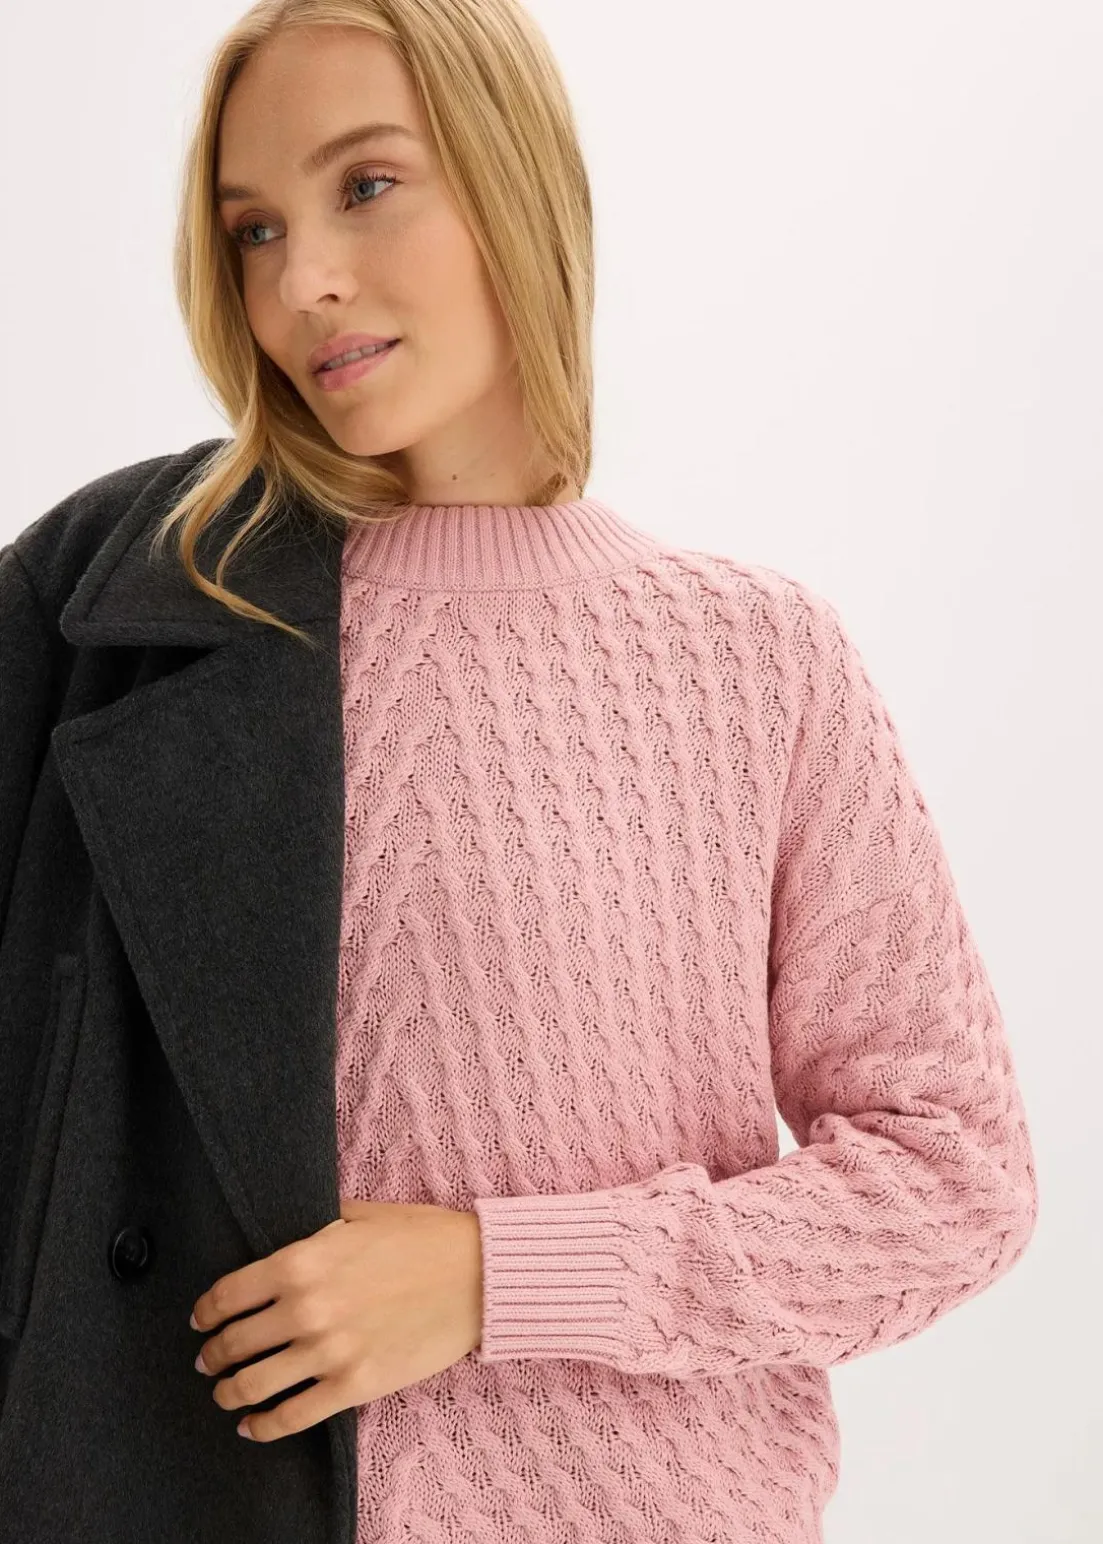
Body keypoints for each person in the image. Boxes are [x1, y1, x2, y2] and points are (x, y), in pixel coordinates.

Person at [0, 1, 1038, 1541]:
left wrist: (494, 1276)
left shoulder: (754, 656)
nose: (302, 281)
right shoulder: (136, 618)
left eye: (365, 186)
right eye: (252, 230)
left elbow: (951, 1184)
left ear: (513, 177)